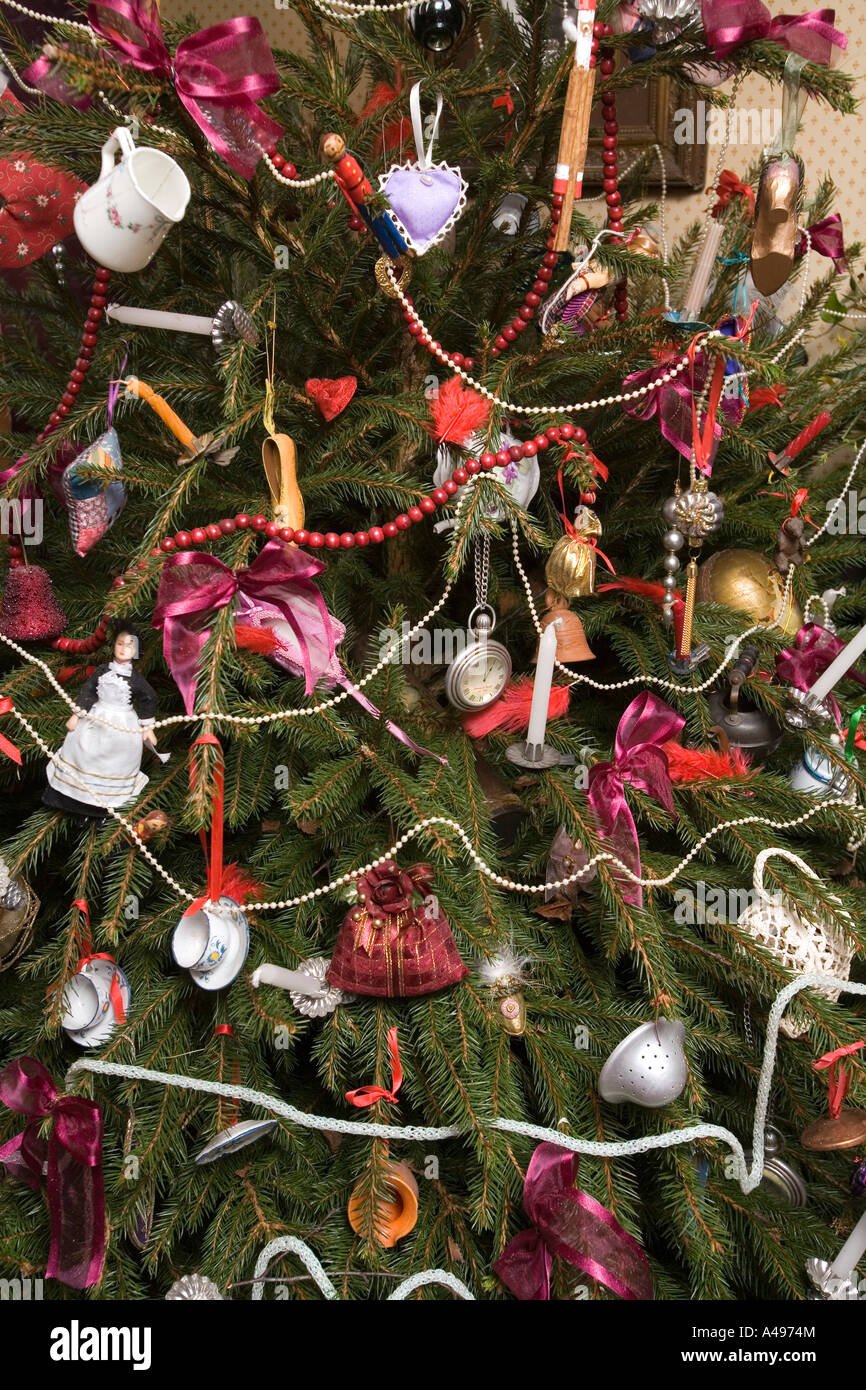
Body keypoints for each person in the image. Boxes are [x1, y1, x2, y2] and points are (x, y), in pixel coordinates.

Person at [44, 621, 158, 818]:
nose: (123, 649)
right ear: (114, 645)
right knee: (81, 750)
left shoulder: (136, 679)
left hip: (122, 724)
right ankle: (72, 798)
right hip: (96, 716)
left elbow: (149, 698)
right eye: (120, 644)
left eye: (129, 645)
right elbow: (88, 691)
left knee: (115, 759)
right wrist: (76, 715)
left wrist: (147, 728)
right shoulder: (102, 670)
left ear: (136, 649)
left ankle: (103, 807)